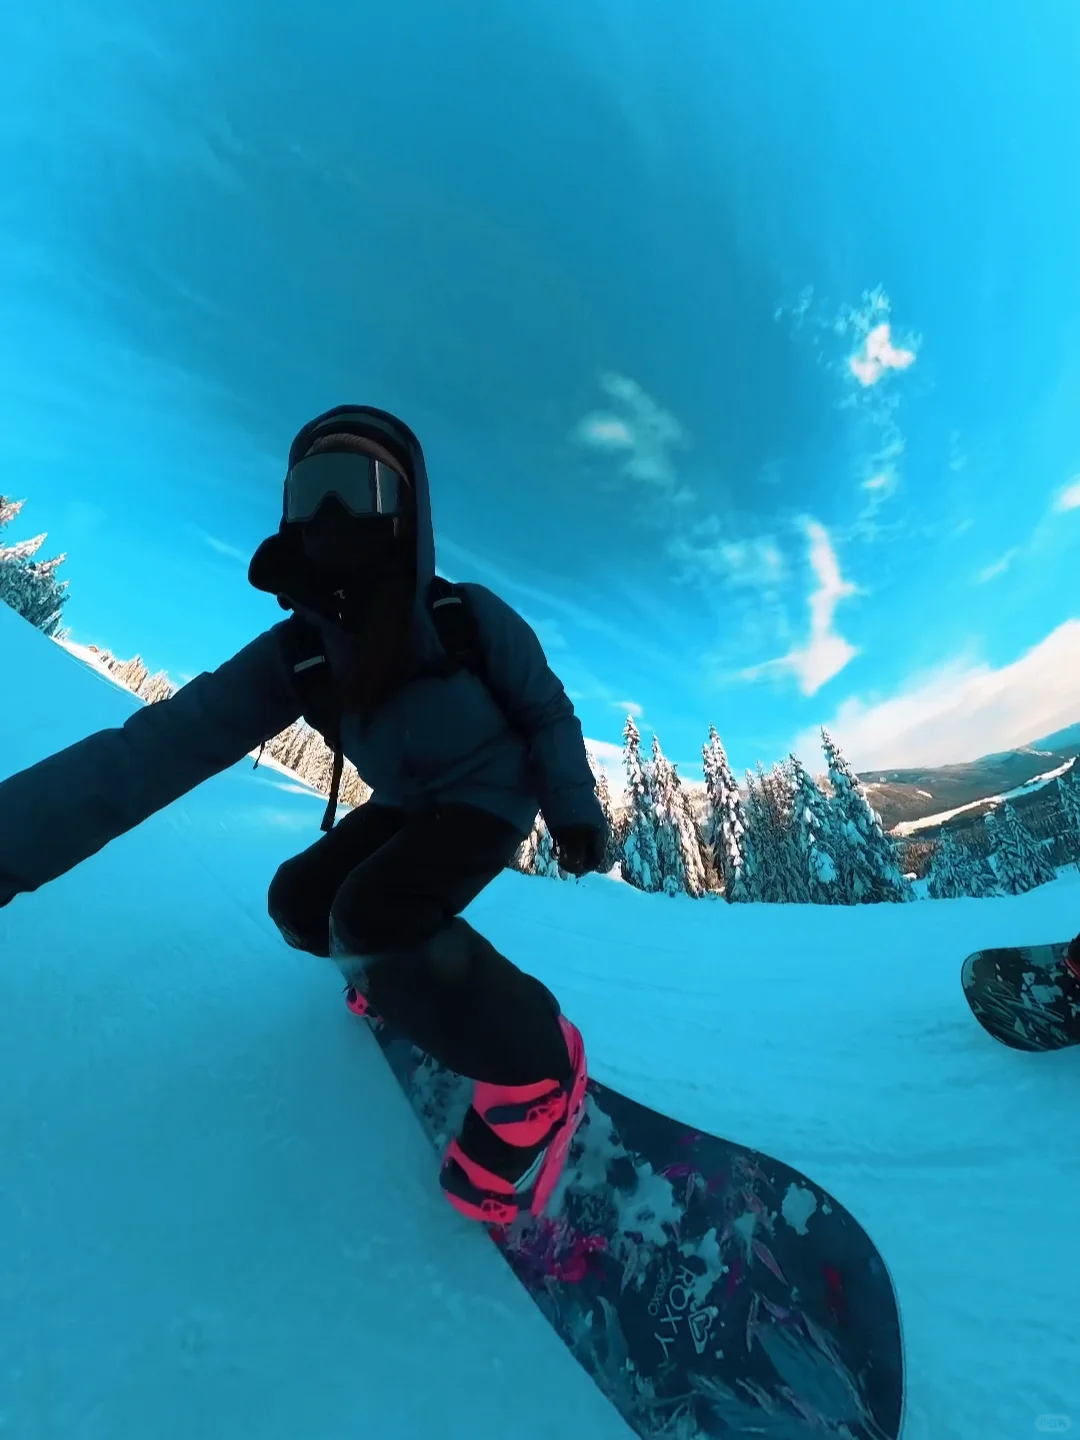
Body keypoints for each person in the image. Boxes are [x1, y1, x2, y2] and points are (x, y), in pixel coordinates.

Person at [0, 404, 609, 1225]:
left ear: (405, 510)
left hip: (490, 797)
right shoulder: (301, 653)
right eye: (312, 491)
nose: (332, 516)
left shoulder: (464, 616)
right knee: (300, 904)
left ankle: (541, 1067)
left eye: (356, 488)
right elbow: (158, 748)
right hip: (410, 803)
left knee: (372, 912)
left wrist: (574, 812)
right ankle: (389, 969)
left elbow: (547, 711)